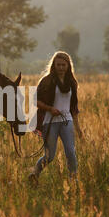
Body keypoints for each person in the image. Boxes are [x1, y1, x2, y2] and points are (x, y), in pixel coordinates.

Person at [29, 51, 84, 185]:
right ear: (53, 65)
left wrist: (78, 128)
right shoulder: (46, 81)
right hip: (50, 122)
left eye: (63, 65)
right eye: (58, 65)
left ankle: (73, 181)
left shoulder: (71, 82)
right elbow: (35, 101)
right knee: (50, 156)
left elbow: (74, 107)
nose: (60, 68)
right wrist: (50, 109)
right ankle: (35, 174)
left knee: (71, 153)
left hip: (67, 121)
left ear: (68, 66)